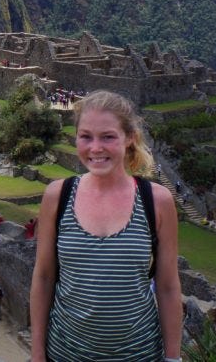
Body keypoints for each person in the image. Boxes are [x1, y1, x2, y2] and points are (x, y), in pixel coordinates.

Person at [30, 90, 182, 362]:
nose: (95, 148)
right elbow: (43, 277)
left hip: (139, 353)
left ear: (129, 138)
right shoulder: (58, 196)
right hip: (66, 353)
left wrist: (173, 358)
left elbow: (168, 286)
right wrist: (38, 354)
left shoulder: (156, 201)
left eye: (108, 137)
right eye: (86, 136)